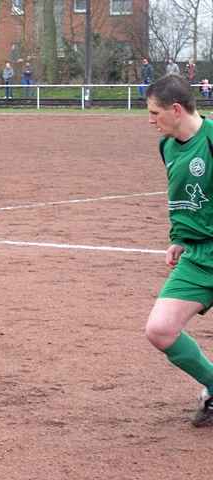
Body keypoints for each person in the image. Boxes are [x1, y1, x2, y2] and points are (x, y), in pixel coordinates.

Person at [145, 74, 213, 427]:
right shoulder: (167, 147)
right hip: (198, 258)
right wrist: (179, 237)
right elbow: (183, 197)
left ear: (175, 110)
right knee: (160, 330)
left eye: (155, 113)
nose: (151, 120)